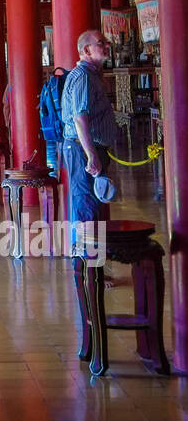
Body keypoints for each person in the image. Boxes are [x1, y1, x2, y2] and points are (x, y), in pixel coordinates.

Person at [61, 29, 117, 253]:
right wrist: (92, 154)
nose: (106, 46)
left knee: (93, 203)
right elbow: (80, 118)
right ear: (86, 50)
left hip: (90, 147)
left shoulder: (92, 75)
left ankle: (91, 262)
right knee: (86, 204)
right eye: (100, 43)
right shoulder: (83, 76)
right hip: (82, 148)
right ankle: (87, 267)